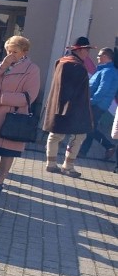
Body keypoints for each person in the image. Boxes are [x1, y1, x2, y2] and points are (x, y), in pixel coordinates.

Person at [0, 35, 41, 196]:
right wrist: (2, 66)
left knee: (7, 152)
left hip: (13, 117)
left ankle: (0, 182)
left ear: (24, 52)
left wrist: (4, 99)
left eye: (15, 52)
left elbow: (30, 95)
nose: (11, 55)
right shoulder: (4, 65)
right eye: (8, 51)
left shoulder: (32, 69)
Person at [43, 36, 95, 178]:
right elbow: (75, 91)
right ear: (80, 50)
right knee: (79, 136)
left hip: (58, 104)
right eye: (87, 50)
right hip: (73, 108)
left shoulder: (62, 61)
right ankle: (68, 166)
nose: (88, 53)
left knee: (55, 134)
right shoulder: (76, 66)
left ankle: (51, 163)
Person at [77, 47, 117, 161]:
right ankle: (83, 151)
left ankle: (108, 146)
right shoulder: (104, 70)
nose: (97, 57)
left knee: (89, 127)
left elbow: (102, 90)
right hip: (97, 103)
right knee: (90, 127)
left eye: (99, 55)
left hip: (97, 105)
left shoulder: (108, 71)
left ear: (105, 57)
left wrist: (90, 101)